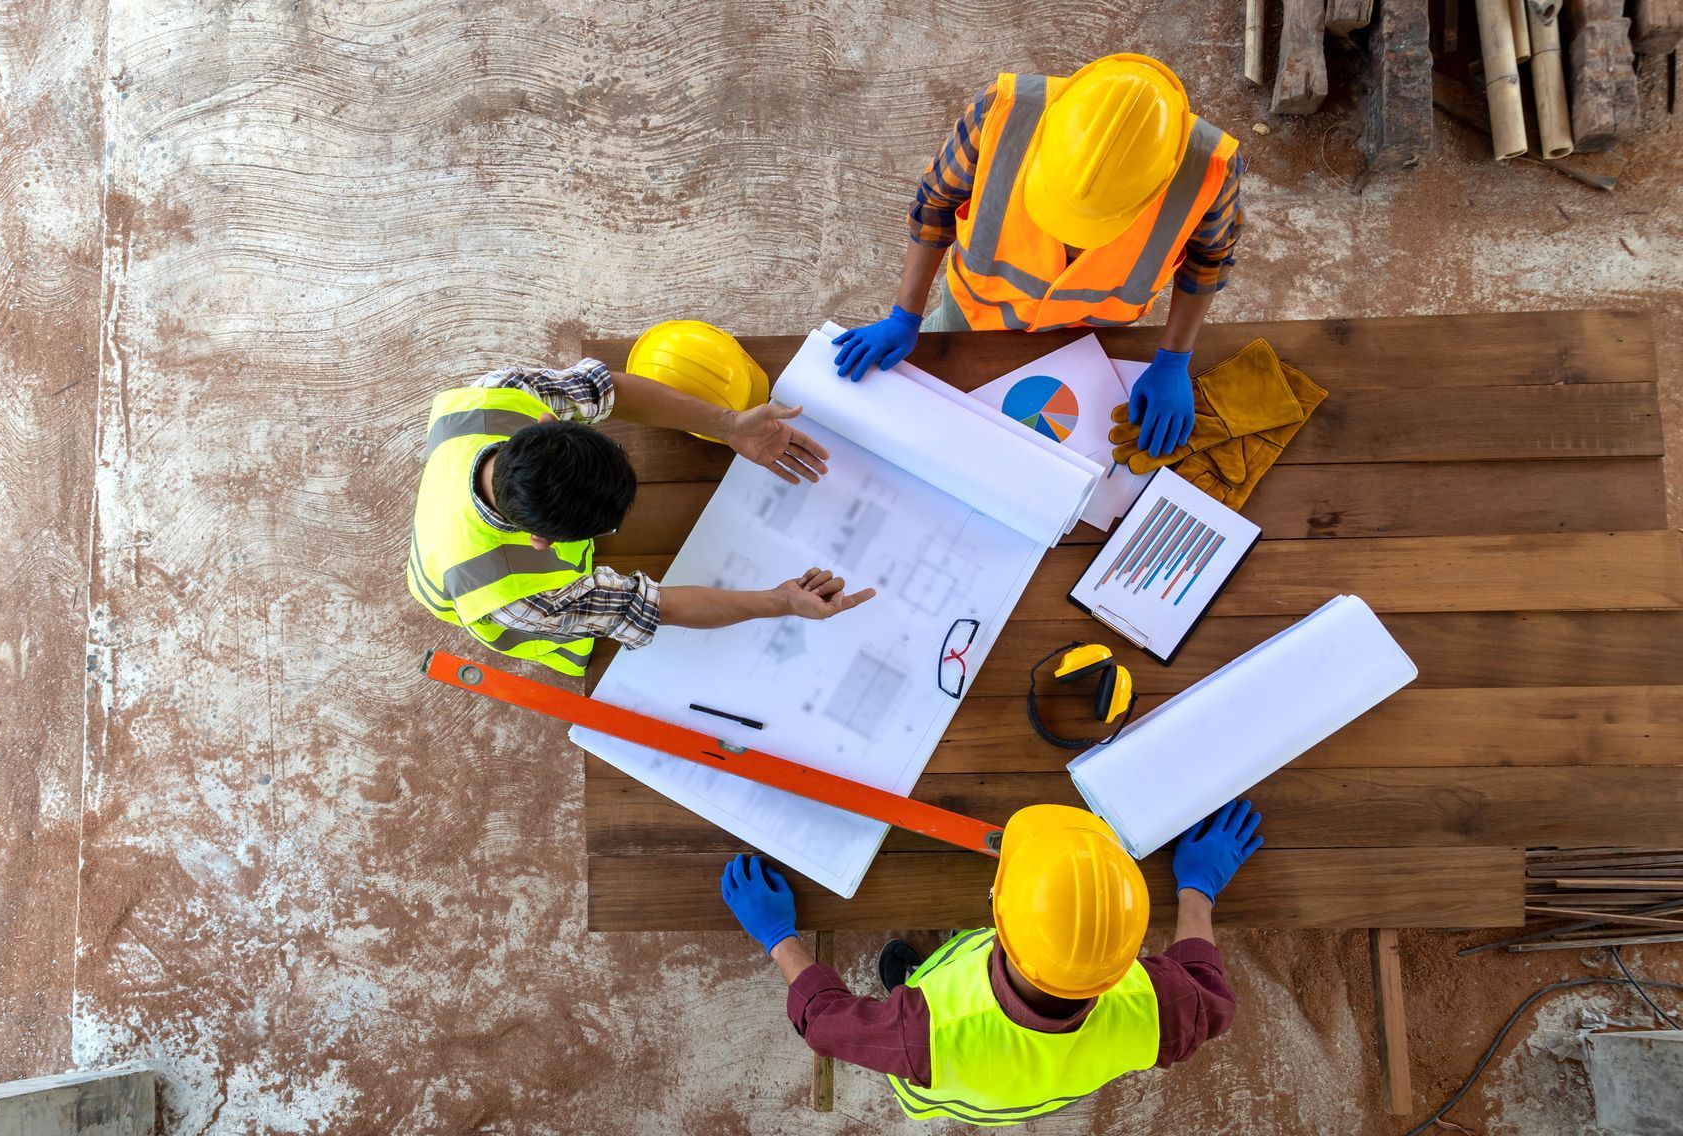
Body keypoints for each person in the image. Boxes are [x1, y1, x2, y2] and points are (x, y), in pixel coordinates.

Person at [719, 799, 1263, 1125]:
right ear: (1129, 959)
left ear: (998, 909)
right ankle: (937, 963)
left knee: (920, 991)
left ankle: (911, 980)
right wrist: (1199, 888)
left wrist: (777, 936)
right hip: (1051, 1079)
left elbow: (825, 1022)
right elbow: (1208, 990)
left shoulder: (922, 1034)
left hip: (956, 1080)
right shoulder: (1158, 1004)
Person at [831, 53, 1244, 461]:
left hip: (1090, 338)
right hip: (972, 314)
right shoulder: (1001, 114)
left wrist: (1174, 357)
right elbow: (934, 207)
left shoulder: (1210, 169)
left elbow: (1209, 261)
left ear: (1161, 181)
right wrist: (905, 315)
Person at [407, 344, 875, 676]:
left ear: (549, 422)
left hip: (453, 498)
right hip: (450, 582)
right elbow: (652, 607)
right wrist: (782, 602)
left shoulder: (502, 392)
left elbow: (607, 389)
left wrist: (729, 424)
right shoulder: (517, 599)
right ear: (543, 542)